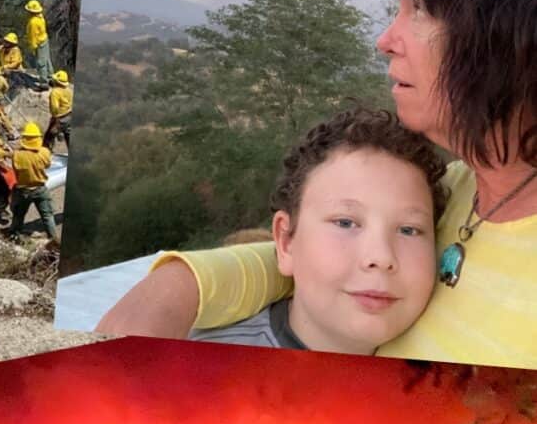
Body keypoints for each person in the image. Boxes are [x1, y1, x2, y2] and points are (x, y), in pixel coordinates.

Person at [96, 0, 537, 369]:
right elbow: (317, 255)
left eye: (420, 10)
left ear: (506, 35)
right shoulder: (455, 187)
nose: (385, 39)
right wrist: (179, 284)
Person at [189, 108, 445, 354]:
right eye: (345, 223)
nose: (381, 257)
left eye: (409, 230)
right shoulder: (195, 371)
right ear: (287, 241)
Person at [5, 122, 58, 244]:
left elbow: (16, 169)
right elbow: (48, 164)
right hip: (40, 189)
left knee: (19, 215)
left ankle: (14, 235)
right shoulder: (44, 152)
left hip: (23, 190)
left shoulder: (17, 155)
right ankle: (54, 239)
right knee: (48, 216)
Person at [24, 0, 52, 85]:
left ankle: (44, 83)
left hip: (39, 44)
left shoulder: (33, 22)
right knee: (47, 60)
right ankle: (50, 76)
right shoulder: (41, 17)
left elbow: (33, 36)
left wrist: (33, 48)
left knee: (41, 63)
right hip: (44, 40)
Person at [44, 69, 73, 151]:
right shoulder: (69, 90)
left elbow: (55, 107)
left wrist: (54, 118)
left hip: (59, 118)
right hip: (70, 115)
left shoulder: (55, 92)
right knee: (69, 137)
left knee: (48, 137)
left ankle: (46, 155)